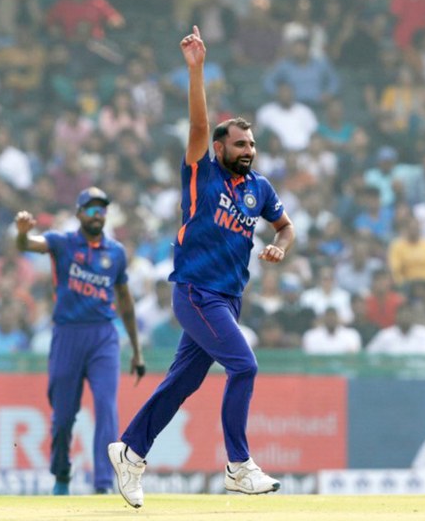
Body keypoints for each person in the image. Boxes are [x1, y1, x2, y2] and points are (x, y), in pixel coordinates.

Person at [108, 26, 294, 509]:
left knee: (184, 381)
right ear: (218, 149)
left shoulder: (261, 188)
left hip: (227, 299)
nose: (247, 151)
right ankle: (238, 467)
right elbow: (196, 126)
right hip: (196, 291)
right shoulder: (202, 173)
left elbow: (286, 227)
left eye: (251, 144)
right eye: (238, 145)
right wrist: (197, 72)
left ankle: (129, 451)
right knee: (244, 366)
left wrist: (280, 246)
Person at [14, 186, 145, 496]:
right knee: (62, 417)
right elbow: (28, 245)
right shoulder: (62, 242)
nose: (97, 214)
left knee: (106, 407)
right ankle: (61, 474)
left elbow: (125, 301)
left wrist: (137, 351)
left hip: (103, 336)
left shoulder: (115, 252)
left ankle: (103, 484)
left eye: (101, 209)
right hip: (67, 336)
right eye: (90, 209)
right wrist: (21, 233)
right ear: (78, 213)